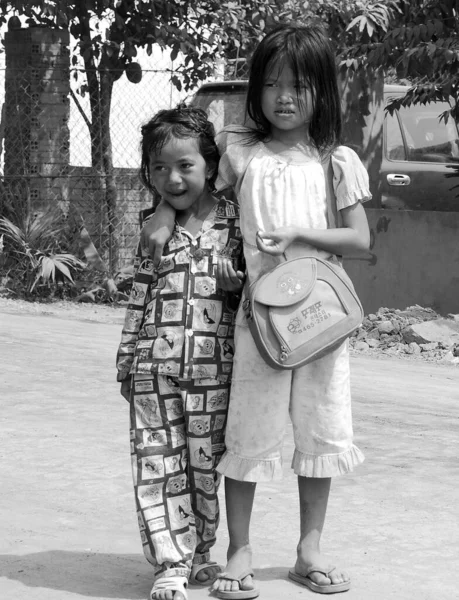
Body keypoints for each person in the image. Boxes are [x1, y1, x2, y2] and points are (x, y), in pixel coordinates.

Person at [140, 22, 371, 598]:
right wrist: (166, 216)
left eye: (298, 85)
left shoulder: (335, 159)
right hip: (258, 321)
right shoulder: (241, 153)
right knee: (248, 430)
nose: (284, 97)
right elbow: (203, 203)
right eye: (271, 84)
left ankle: (308, 551)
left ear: (323, 89)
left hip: (321, 321)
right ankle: (238, 551)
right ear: (256, 92)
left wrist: (301, 233)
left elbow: (360, 239)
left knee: (319, 428)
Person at [116, 105, 245, 600]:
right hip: (154, 368)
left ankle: (202, 555)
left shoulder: (237, 223)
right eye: (159, 168)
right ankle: (169, 564)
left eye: (185, 166)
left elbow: (253, 294)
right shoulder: (153, 227)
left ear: (210, 165)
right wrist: (128, 361)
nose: (172, 178)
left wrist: (237, 287)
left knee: (204, 466)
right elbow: (139, 292)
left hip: (218, 374)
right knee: (157, 466)